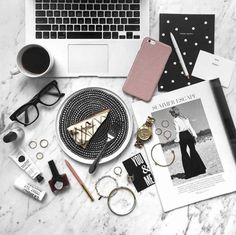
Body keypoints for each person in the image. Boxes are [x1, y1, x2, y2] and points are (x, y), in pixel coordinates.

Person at [169, 106, 206, 179]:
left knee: (184, 153)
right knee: (193, 151)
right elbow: (190, 127)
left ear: (173, 113)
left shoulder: (175, 120)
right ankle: (200, 170)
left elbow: (177, 131)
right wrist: (194, 135)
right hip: (189, 135)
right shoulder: (185, 118)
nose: (171, 115)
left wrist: (177, 139)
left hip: (182, 136)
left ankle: (190, 173)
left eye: (171, 113)